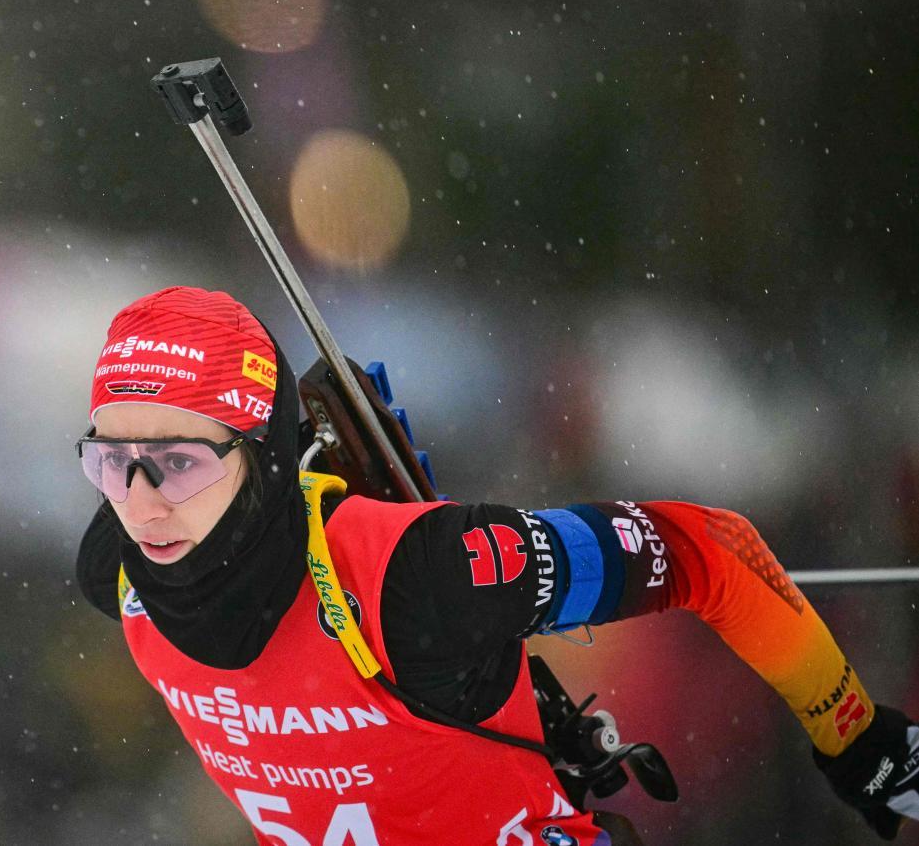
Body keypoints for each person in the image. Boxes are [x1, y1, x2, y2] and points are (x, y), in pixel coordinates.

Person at [75, 285, 918, 845]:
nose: (142, 504)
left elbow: (709, 549)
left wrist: (851, 734)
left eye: (180, 461)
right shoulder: (114, 567)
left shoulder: (427, 576)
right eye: (111, 462)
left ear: (265, 458)